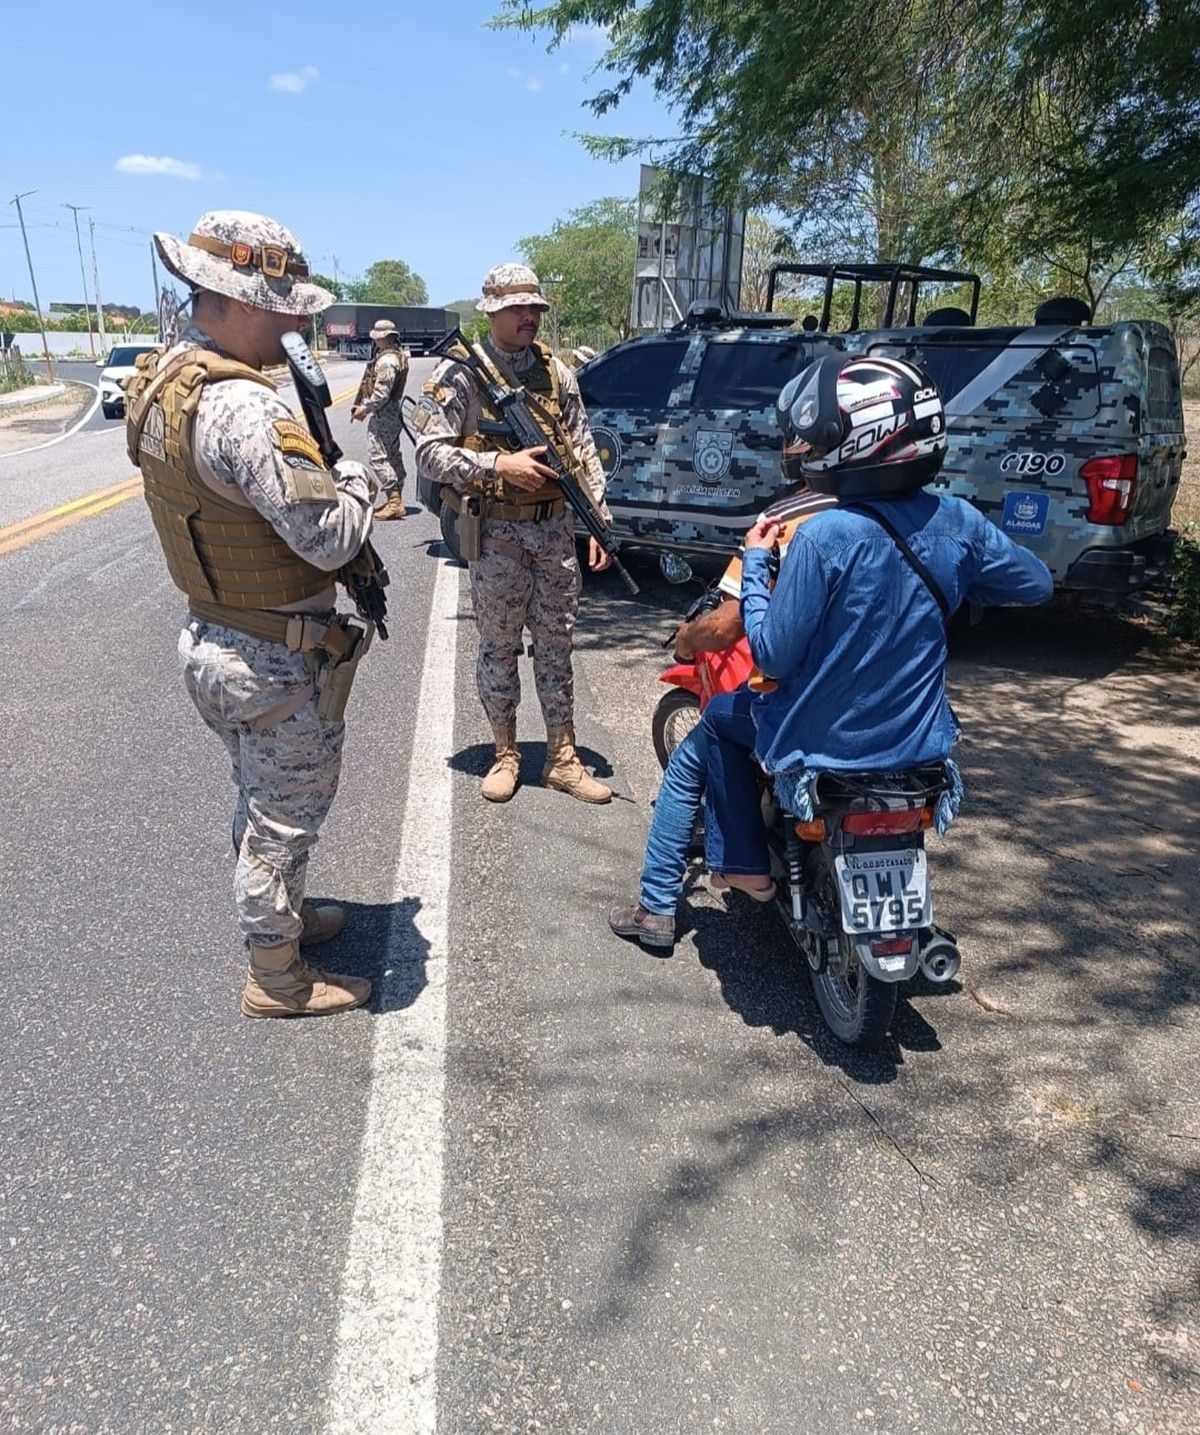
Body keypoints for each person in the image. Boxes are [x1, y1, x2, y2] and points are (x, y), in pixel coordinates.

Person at [126, 209, 379, 1019]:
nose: (300, 319)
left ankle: (287, 919)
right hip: (270, 656)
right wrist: (365, 484)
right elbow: (328, 533)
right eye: (285, 305)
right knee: (283, 817)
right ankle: (277, 977)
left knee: (259, 797)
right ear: (236, 300)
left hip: (215, 635)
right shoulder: (243, 409)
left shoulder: (168, 378)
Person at [701, 354, 1055, 891]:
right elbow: (1035, 583)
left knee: (718, 721)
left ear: (866, 439)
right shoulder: (958, 520)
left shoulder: (826, 536)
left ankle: (743, 863)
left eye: (822, 439)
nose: (812, 452)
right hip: (918, 743)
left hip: (824, 744)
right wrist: (961, 576)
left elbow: (772, 654)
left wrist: (756, 563)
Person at [413, 262, 614, 804]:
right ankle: (506, 753)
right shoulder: (461, 376)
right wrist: (496, 468)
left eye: (535, 308)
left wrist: (598, 520)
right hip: (498, 535)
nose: (529, 317)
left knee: (556, 647)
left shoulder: (557, 373)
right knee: (499, 648)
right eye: (517, 308)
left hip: (553, 534)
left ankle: (562, 759)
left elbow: (583, 446)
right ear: (492, 312)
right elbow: (428, 453)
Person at [607, 485, 836, 949]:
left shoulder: (787, 520)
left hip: (805, 708)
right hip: (887, 711)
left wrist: (687, 638)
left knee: (700, 748)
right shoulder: (908, 515)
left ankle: (658, 907)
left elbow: (728, 622)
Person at [351, 318, 409, 520]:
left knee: (378, 456)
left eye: (378, 337)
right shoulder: (397, 356)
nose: (375, 341)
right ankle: (397, 500)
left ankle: (394, 502)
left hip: (385, 414)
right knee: (392, 454)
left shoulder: (387, 361)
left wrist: (364, 409)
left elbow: (381, 394)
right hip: (393, 413)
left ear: (386, 338)